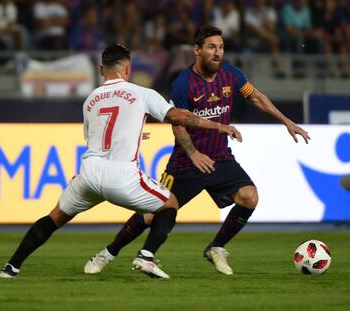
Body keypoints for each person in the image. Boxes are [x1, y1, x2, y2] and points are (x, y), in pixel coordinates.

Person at [0, 43, 242, 279]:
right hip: (122, 175)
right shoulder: (141, 93)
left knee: (54, 218)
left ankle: (11, 267)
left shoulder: (90, 100)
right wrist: (217, 125)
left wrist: (134, 132)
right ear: (128, 69)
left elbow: (96, 136)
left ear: (101, 69)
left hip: (89, 175)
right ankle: (146, 256)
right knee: (170, 204)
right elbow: (177, 116)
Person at [83, 25, 310, 277]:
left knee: (249, 197)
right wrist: (193, 153)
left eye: (221, 47)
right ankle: (108, 253)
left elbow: (256, 96)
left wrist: (286, 121)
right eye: (212, 47)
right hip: (185, 163)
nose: (218, 53)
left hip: (220, 158)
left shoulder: (231, 75)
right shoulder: (183, 84)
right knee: (150, 215)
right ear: (197, 50)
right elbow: (177, 123)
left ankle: (216, 247)